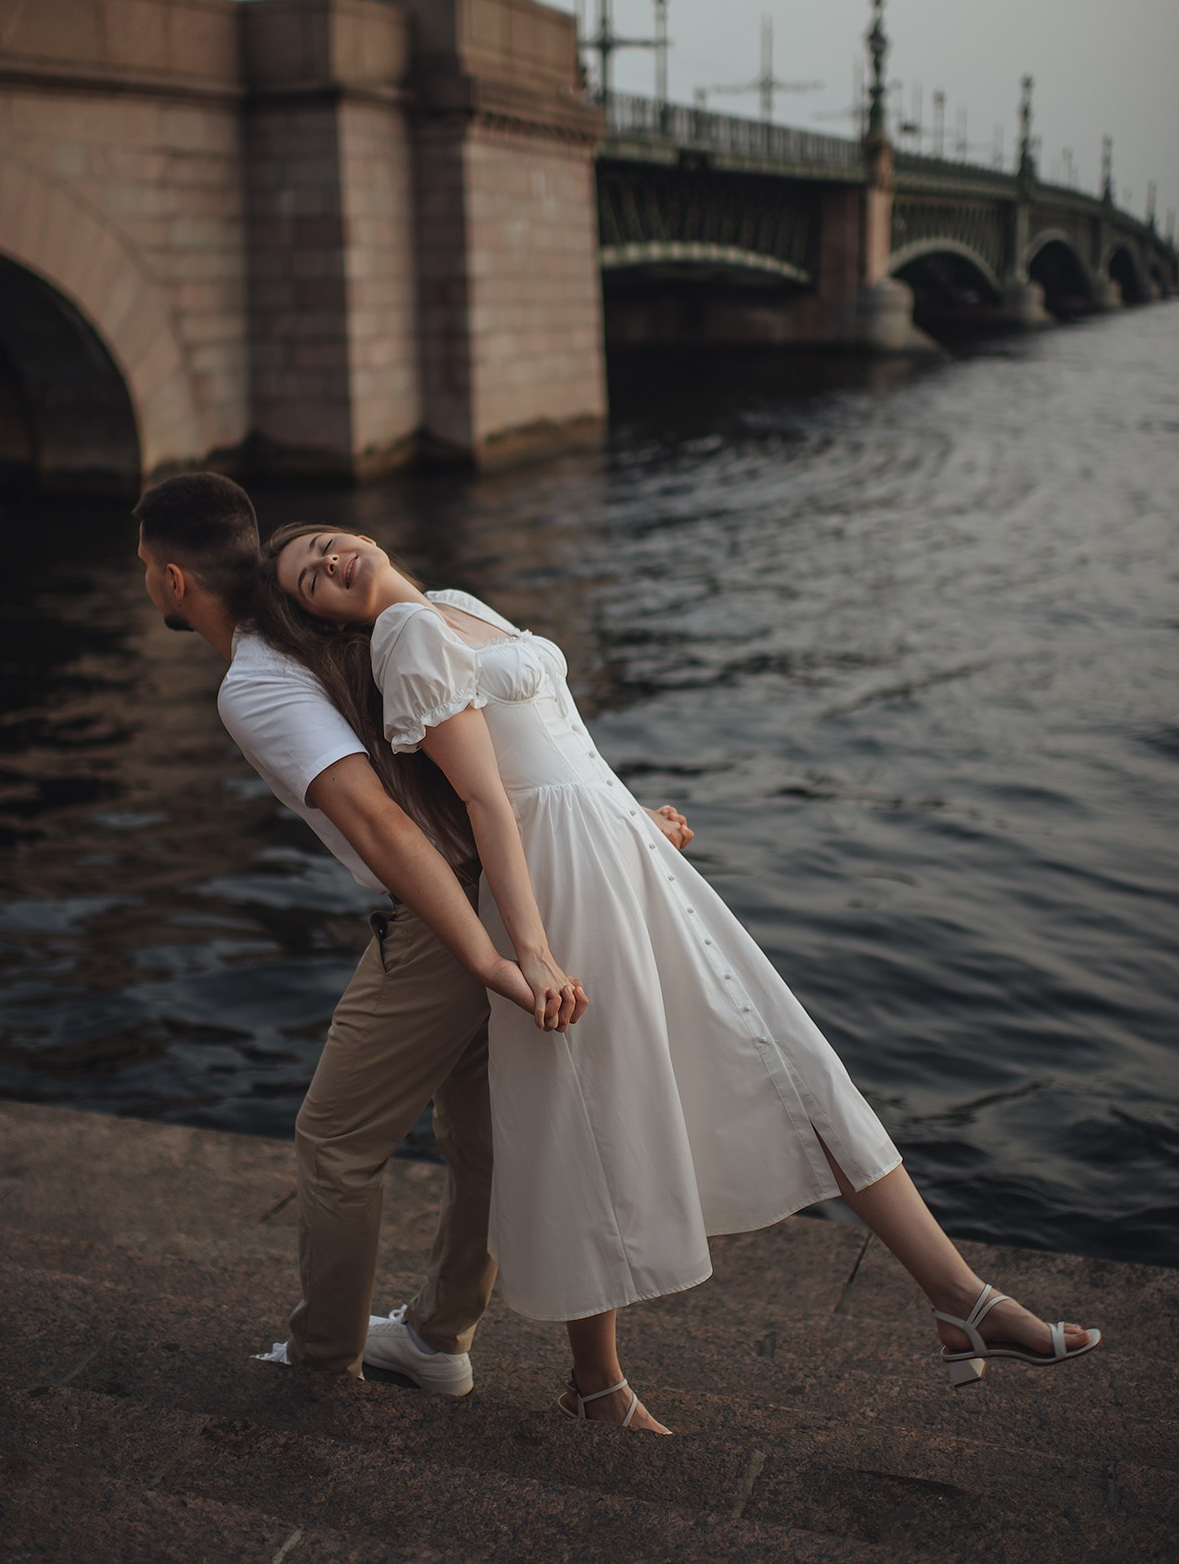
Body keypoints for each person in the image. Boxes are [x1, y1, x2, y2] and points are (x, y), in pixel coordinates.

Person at [257, 521, 1102, 1433]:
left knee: (781, 1059)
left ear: (362, 534)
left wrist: (629, 816)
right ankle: (601, 1381)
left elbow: (557, 739)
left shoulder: (455, 606)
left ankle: (959, 1298)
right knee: (594, 1111)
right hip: (560, 882)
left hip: (617, 854)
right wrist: (531, 949)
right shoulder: (402, 637)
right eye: (311, 580)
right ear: (327, 617)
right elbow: (487, 798)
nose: (330, 564)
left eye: (326, 545)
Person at [132, 474, 687, 1393]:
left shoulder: (257, 681)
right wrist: (621, 829)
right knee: (479, 1133)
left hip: (450, 909)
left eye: (144, 565)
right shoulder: (321, 629)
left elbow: (382, 825)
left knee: (336, 1141)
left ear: (173, 579)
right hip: (515, 878)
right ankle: (437, 1335)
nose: (148, 578)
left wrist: (487, 956)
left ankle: (324, 1360)